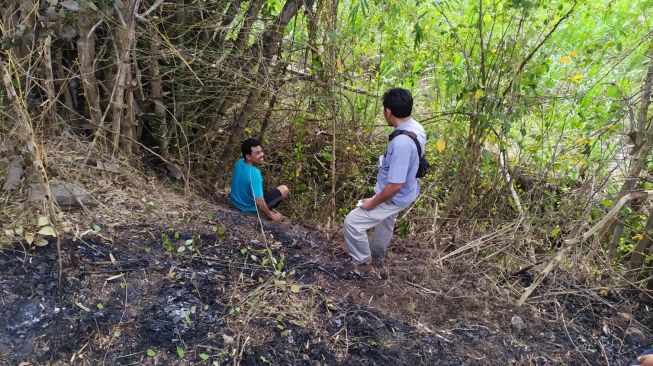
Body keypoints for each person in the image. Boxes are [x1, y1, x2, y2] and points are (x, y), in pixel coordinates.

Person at [344, 88, 427, 266]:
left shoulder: (401, 144)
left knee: (352, 222)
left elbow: (395, 186)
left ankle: (362, 261)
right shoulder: (416, 128)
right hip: (408, 190)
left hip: (395, 195)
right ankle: (377, 256)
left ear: (388, 111)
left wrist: (372, 202)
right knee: (386, 222)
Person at [230, 138, 289, 221]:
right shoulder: (255, 173)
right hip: (248, 209)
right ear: (248, 156)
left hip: (235, 203)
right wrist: (272, 216)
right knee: (284, 189)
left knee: (264, 191)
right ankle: (268, 213)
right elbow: (259, 201)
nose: (262, 154)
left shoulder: (240, 162)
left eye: (261, 151)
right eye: (257, 153)